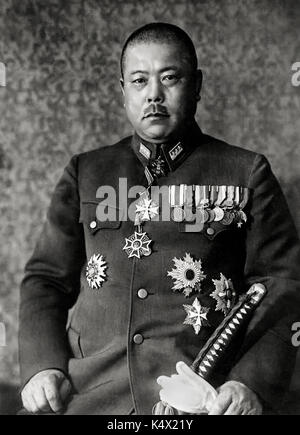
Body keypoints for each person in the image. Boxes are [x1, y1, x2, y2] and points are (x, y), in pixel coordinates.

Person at [19, 22, 300, 415]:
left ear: (197, 85)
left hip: (202, 394)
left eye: (170, 78)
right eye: (139, 81)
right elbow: (45, 280)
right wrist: (42, 366)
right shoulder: (86, 172)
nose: (153, 94)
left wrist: (248, 381)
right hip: (91, 395)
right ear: (123, 91)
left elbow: (283, 286)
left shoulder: (244, 172)